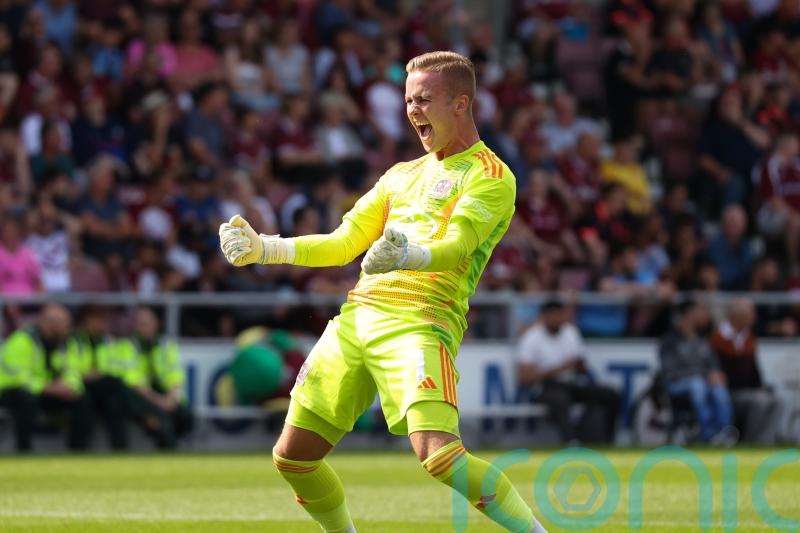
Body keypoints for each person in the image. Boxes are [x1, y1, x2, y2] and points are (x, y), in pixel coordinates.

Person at [219, 51, 547, 533]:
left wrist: (408, 256)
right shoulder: (400, 175)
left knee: (439, 456)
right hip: (357, 319)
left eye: (424, 99)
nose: (413, 110)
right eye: (408, 100)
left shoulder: (490, 176)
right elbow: (342, 242)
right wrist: (265, 248)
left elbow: (456, 246)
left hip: (421, 320)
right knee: (293, 458)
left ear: (461, 103)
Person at [516, 300, 620, 444]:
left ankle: (607, 440)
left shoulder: (570, 332)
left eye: (561, 315)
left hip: (573, 383)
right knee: (560, 399)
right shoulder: (532, 338)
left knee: (610, 395)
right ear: (544, 317)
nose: (559, 320)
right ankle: (571, 441)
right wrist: (560, 368)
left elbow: (582, 364)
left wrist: (579, 366)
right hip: (545, 386)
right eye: (555, 316)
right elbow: (525, 376)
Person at [0, 304, 91, 452]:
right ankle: (24, 450)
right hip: (11, 390)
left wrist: (69, 386)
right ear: (49, 324)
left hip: (47, 391)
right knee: (26, 399)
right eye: (64, 323)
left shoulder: (67, 342)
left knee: (81, 398)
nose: (69, 327)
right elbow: (17, 376)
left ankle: (77, 451)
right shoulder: (22, 340)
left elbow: (74, 370)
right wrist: (47, 387)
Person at [658, 301, 736, 444]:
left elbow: (713, 364)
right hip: (677, 385)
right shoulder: (670, 341)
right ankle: (707, 433)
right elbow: (669, 371)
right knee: (697, 385)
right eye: (700, 311)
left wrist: (715, 373)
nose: (705, 315)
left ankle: (723, 433)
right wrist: (701, 376)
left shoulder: (703, 341)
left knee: (719, 389)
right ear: (689, 314)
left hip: (702, 382)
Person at [115, 307, 193, 449]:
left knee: (186, 415)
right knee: (161, 420)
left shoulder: (166, 345)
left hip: (163, 393)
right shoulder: (127, 346)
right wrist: (160, 402)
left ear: (157, 323)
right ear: (135, 326)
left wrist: (171, 397)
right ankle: (169, 451)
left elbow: (175, 374)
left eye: (148, 323)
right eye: (141, 324)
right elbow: (134, 382)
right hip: (141, 397)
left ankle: (176, 446)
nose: (146, 327)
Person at [711, 298, 781, 444]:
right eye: (751, 314)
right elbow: (720, 372)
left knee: (778, 401)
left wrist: (759, 386)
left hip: (749, 390)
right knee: (759, 401)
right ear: (739, 317)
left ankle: (765, 441)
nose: (754, 318)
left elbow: (754, 369)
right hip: (729, 391)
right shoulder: (718, 338)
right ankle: (750, 441)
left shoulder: (749, 338)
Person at [67, 304, 130, 450]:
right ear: (86, 320)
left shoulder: (107, 341)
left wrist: (100, 373)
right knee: (86, 400)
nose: (103, 324)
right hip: (78, 385)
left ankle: (120, 450)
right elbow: (66, 366)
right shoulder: (73, 340)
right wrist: (84, 374)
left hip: (103, 387)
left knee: (114, 403)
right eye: (99, 320)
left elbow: (117, 365)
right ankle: (77, 449)